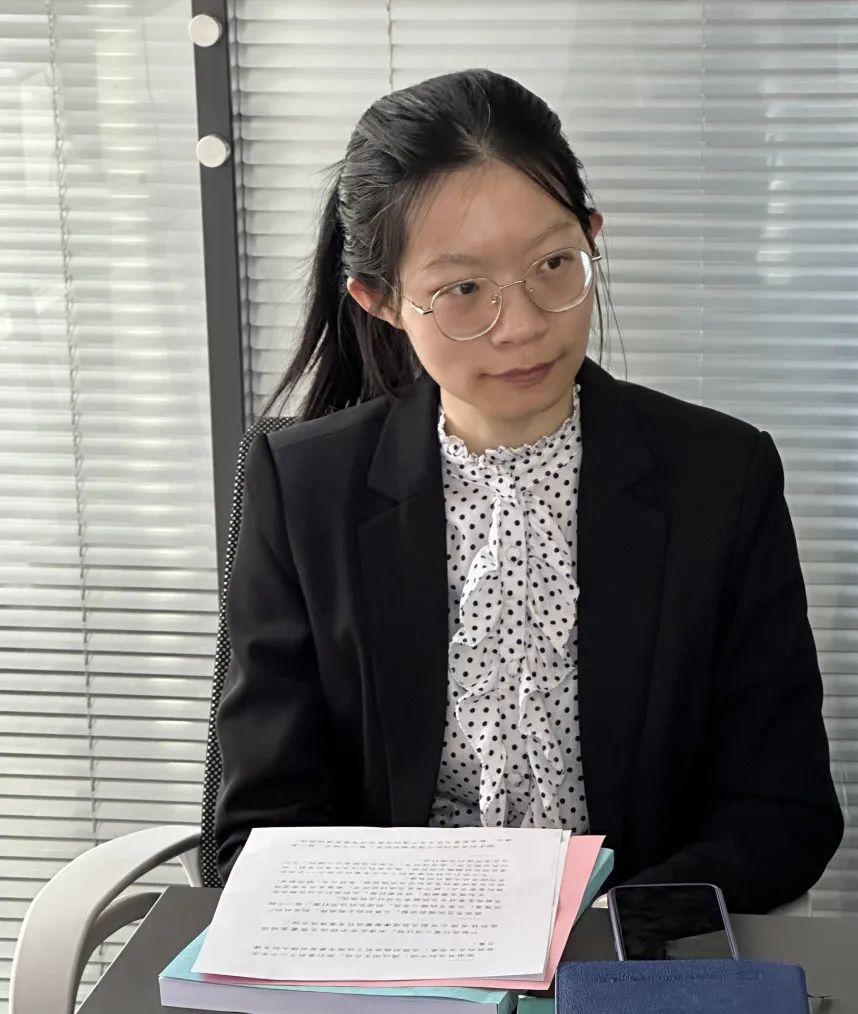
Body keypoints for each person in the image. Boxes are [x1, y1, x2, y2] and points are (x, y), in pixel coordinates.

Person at [213, 67, 843, 913]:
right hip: (395, 950)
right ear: (380, 300)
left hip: (626, 945)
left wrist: (604, 926)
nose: (522, 326)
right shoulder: (303, 489)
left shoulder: (722, 478)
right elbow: (263, 827)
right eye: (463, 289)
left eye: (553, 264)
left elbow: (782, 812)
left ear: (592, 239)